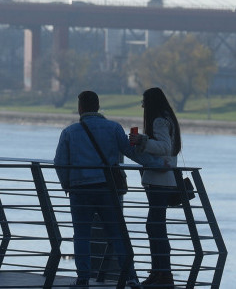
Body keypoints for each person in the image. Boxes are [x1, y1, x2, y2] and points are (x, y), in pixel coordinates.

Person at [54, 90, 141, 288]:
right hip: (107, 188)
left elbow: (60, 162)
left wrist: (66, 183)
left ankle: (83, 277)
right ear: (98, 106)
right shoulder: (113, 128)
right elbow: (130, 152)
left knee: (82, 234)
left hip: (79, 189)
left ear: (80, 108)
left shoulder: (69, 132)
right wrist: (154, 162)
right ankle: (131, 276)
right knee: (117, 234)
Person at [129, 87, 182, 288]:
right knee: (156, 226)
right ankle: (159, 272)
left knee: (155, 226)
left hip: (159, 180)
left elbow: (164, 147)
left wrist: (142, 140)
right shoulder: (169, 118)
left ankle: (162, 273)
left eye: (144, 101)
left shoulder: (159, 120)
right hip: (165, 179)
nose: (142, 105)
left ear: (150, 102)